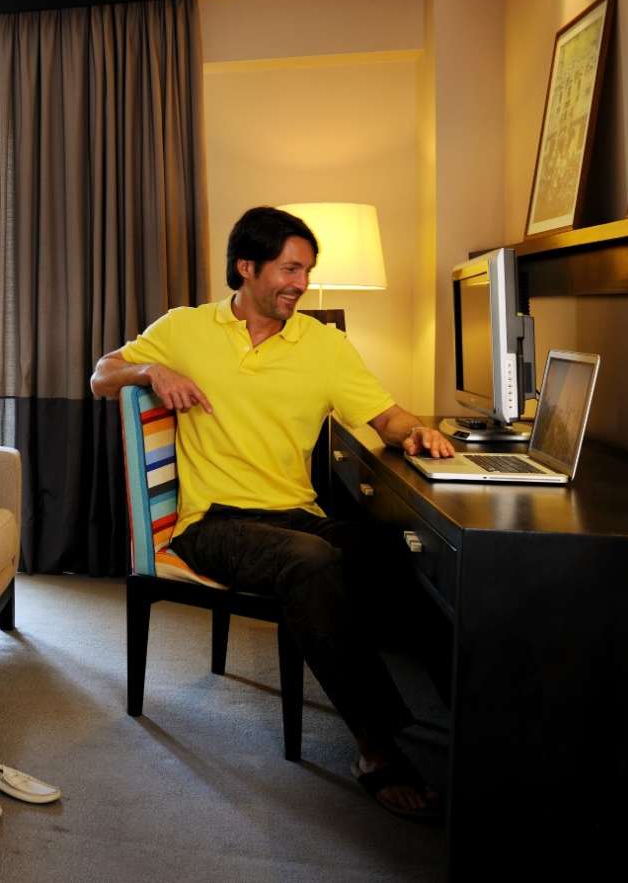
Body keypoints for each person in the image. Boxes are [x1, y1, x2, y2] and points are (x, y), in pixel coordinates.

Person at [89, 206, 454, 823]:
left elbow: (386, 418)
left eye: (307, 270)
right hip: (213, 524)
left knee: (394, 548)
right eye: (290, 268)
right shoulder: (186, 327)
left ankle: (462, 709)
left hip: (293, 515)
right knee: (312, 561)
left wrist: (417, 434)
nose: (300, 283)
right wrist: (153, 367)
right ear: (246, 267)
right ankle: (374, 748)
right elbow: (102, 375)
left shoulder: (324, 345)